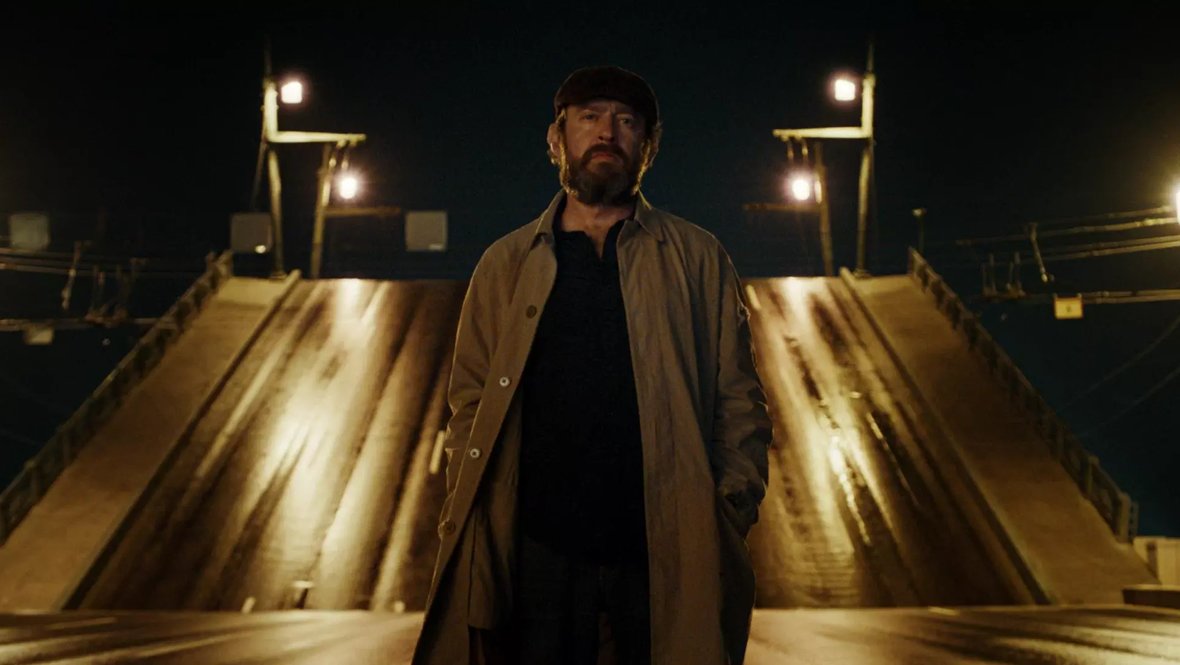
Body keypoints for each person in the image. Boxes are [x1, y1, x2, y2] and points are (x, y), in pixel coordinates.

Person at [412, 65, 772, 665]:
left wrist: (725, 510)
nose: (607, 132)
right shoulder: (506, 264)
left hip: (660, 554)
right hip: (538, 556)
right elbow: (469, 403)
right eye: (589, 118)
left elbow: (739, 400)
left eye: (626, 122)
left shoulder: (698, 258)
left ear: (648, 145)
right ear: (557, 139)